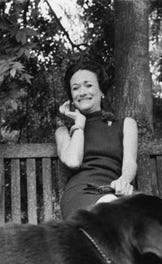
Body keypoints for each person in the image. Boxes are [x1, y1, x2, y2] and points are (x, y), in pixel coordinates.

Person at [55, 59, 138, 219]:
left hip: (116, 191)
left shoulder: (126, 124)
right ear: (71, 97)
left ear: (101, 91)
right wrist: (79, 124)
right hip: (81, 194)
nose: (82, 92)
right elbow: (73, 161)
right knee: (115, 213)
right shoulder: (63, 132)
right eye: (75, 88)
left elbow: (130, 162)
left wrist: (124, 180)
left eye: (88, 85)